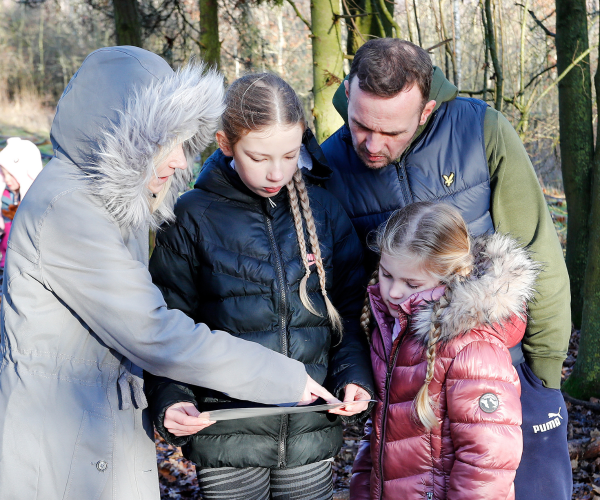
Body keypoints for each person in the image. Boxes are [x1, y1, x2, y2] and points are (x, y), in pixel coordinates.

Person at [0, 48, 336, 500]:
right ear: (126, 141)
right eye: (168, 144)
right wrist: (285, 378)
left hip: (94, 430)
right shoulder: (71, 209)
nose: (181, 161)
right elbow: (154, 331)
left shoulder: (113, 202)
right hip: (65, 445)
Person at [321, 38, 572, 499]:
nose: (372, 145)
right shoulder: (331, 163)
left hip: (507, 368)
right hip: (411, 388)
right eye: (359, 125)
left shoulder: (482, 131)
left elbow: (538, 253)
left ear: (426, 109)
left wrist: (544, 375)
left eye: (390, 131)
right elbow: (344, 297)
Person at [145, 73, 374, 500]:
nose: (276, 172)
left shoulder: (324, 211)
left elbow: (345, 315)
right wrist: (170, 400)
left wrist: (353, 377)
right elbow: (166, 325)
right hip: (226, 435)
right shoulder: (192, 216)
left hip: (310, 433)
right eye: (259, 156)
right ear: (225, 143)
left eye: (289, 155)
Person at [350, 201, 538, 500]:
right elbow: (378, 437)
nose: (394, 292)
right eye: (386, 275)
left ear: (450, 276)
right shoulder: (392, 327)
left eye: (411, 283)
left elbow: (487, 463)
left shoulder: (472, 348)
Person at [0, 137, 43, 283]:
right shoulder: (5, 195)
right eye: (3, 174)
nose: (7, 179)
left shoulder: (34, 199)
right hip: (3, 255)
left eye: (11, 175)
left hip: (21, 261)